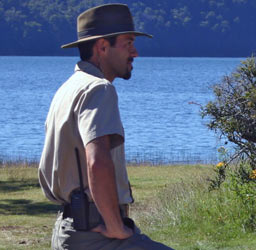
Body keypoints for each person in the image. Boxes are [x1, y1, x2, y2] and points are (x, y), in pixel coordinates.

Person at [38, 4, 172, 249]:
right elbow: (96, 160)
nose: (135, 53)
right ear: (101, 46)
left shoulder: (68, 88)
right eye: (128, 43)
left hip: (68, 231)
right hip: (97, 236)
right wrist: (115, 226)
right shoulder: (99, 89)